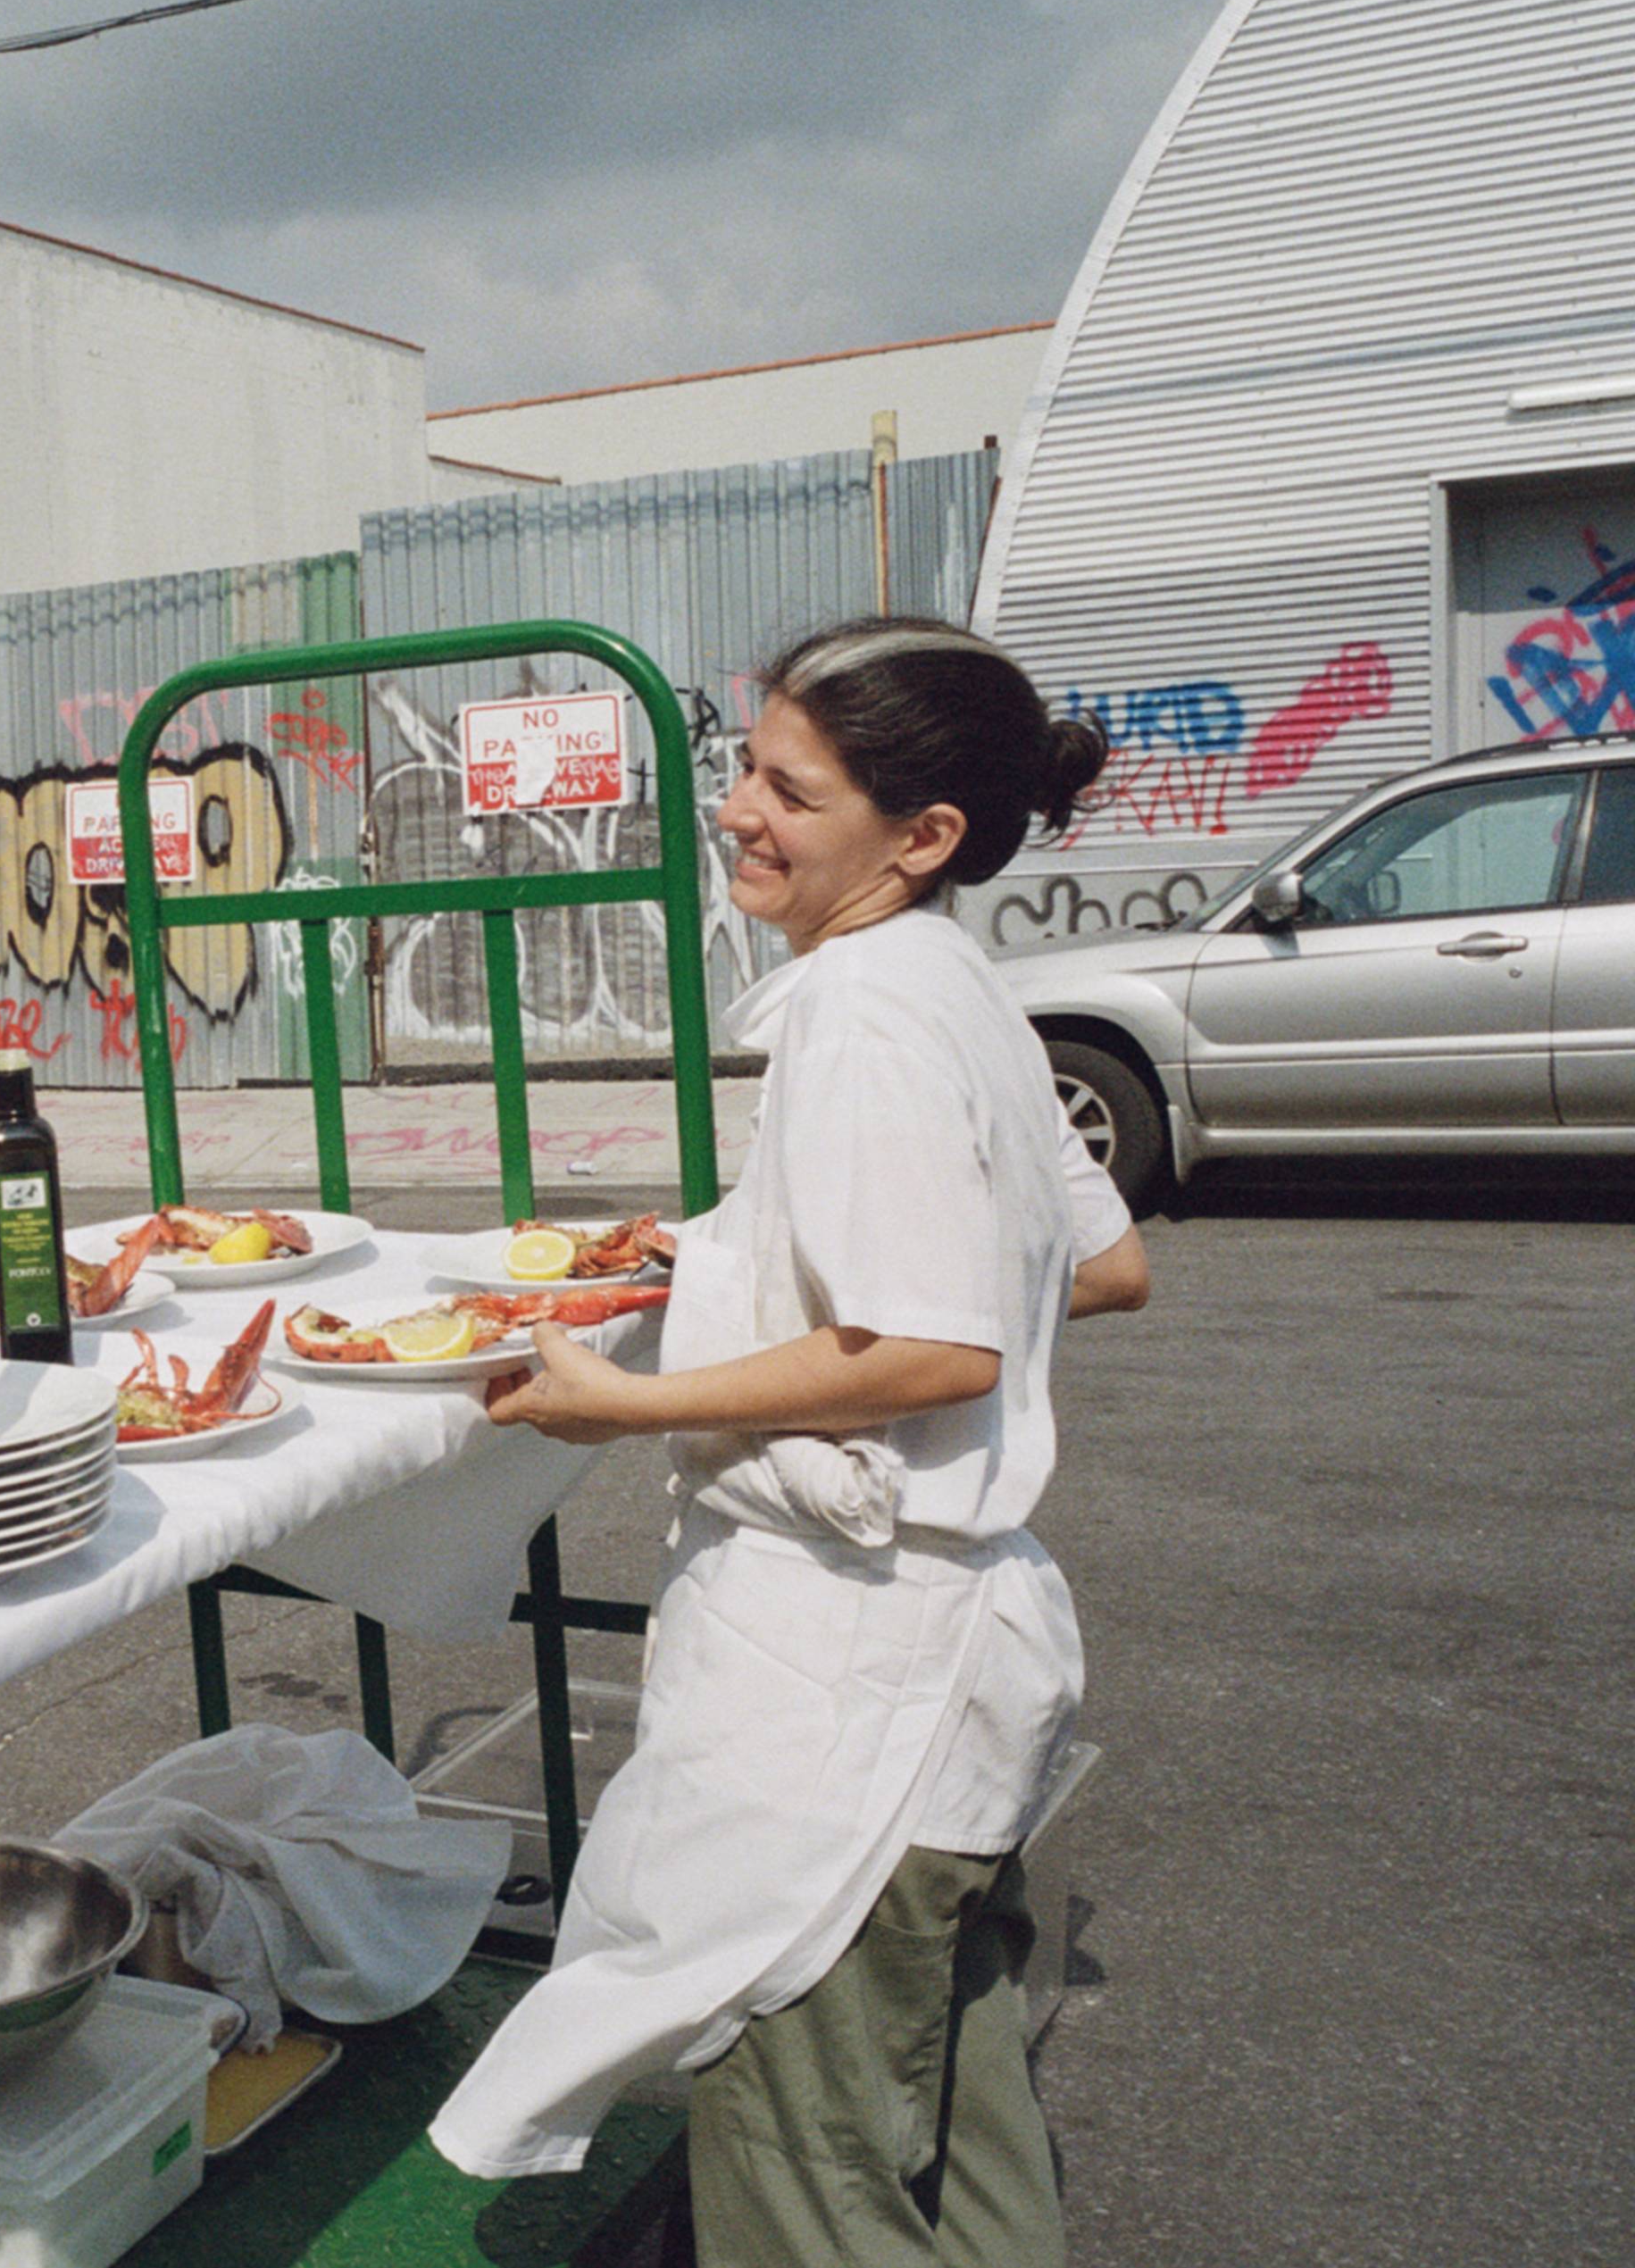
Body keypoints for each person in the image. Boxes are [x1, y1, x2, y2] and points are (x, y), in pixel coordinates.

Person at [428, 619, 1151, 2264]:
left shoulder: (867, 1018)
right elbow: (1099, 1262)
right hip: (953, 1681)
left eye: (788, 788)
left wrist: (624, 1403)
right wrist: (742, 1250)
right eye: (745, 765)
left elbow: (939, 1339)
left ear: (923, 836)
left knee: (809, 2175)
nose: (738, 809)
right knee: (963, 2140)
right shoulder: (961, 983)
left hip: (849, 1695)